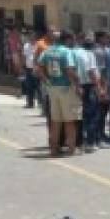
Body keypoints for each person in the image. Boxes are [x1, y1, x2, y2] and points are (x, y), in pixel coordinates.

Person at [38, 29, 81, 157]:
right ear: (67, 39)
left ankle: (54, 149)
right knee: (69, 120)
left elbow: (38, 68)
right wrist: (78, 83)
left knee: (55, 120)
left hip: (53, 88)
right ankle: (71, 149)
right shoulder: (67, 52)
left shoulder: (48, 50)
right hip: (66, 88)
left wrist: (47, 81)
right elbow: (69, 70)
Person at [76, 34, 103, 154]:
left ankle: (79, 142)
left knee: (80, 115)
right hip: (88, 86)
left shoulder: (75, 52)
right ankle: (91, 143)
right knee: (92, 115)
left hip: (77, 86)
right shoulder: (89, 54)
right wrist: (99, 88)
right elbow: (91, 71)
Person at [94, 31, 110, 147]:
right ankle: (99, 136)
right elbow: (102, 72)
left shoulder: (104, 50)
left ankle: (101, 134)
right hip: (101, 85)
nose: (108, 39)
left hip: (101, 84)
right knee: (100, 112)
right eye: (106, 37)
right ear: (100, 38)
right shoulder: (99, 52)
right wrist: (103, 89)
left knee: (103, 112)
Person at [21, 31, 38, 109]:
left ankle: (41, 103)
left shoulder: (38, 45)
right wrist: (24, 67)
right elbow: (24, 57)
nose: (32, 38)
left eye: (33, 36)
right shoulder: (26, 46)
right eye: (31, 36)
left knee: (38, 86)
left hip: (37, 69)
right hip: (28, 68)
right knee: (29, 86)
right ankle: (30, 103)